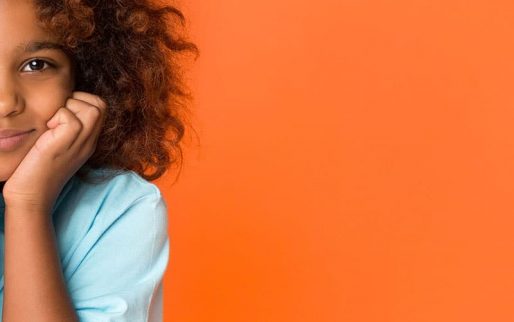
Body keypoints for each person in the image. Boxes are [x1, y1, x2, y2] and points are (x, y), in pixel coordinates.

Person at [0, 0, 198, 321]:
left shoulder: (119, 208)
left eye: (36, 65)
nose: (5, 102)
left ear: (85, 75)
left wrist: (28, 206)